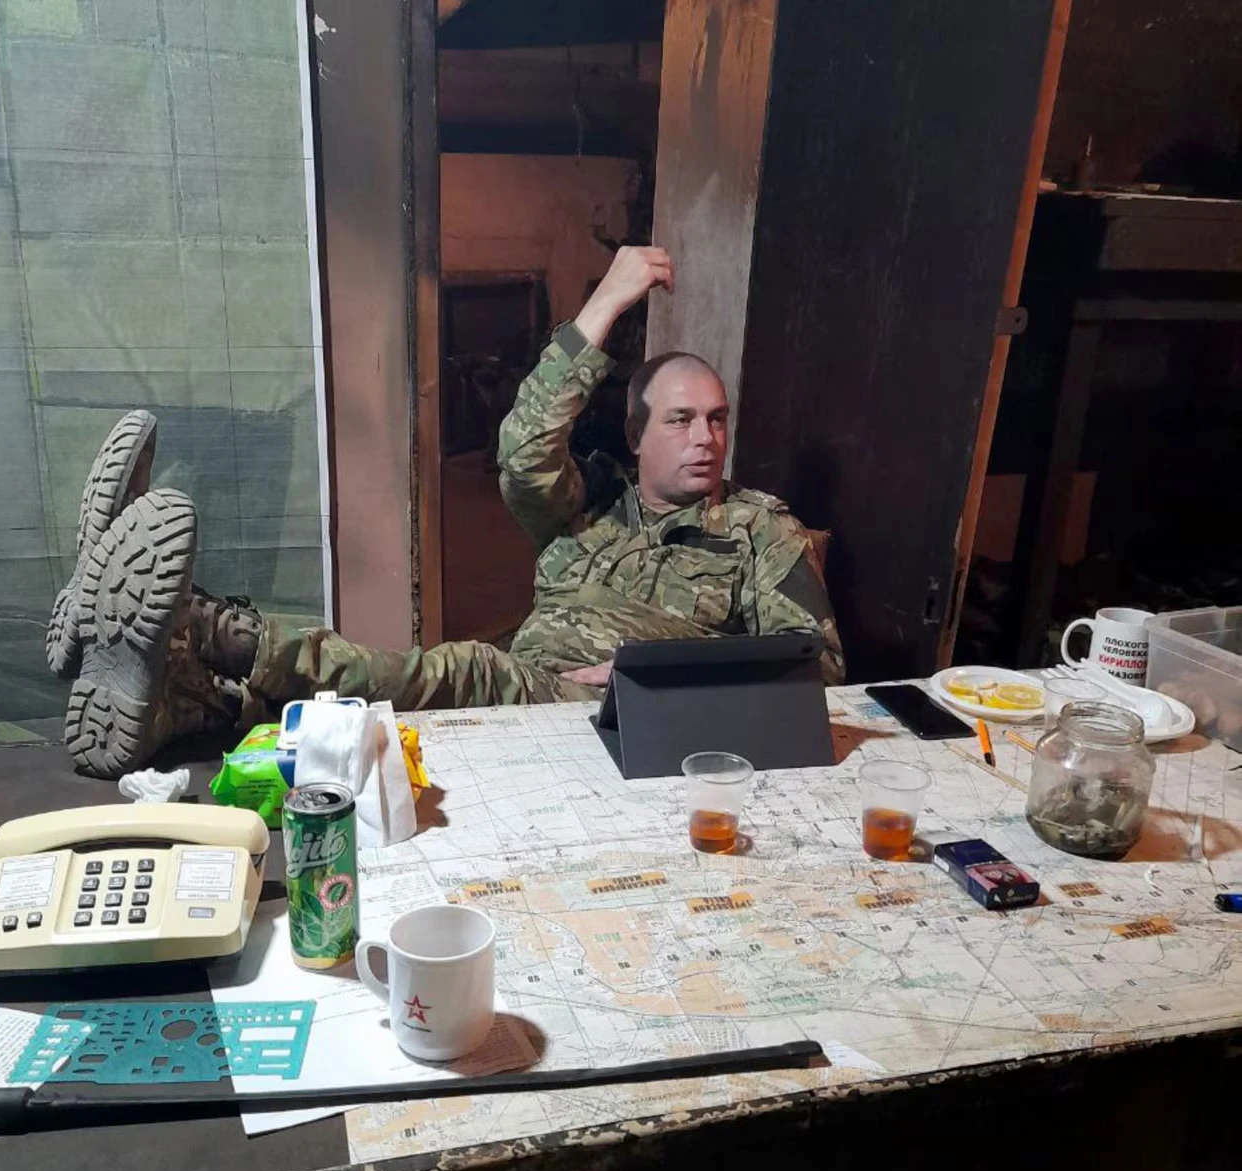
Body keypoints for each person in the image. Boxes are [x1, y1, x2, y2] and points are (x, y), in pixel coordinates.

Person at [52, 247, 844, 779]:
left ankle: (206, 623)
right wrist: (605, 301)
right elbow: (523, 448)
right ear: (637, 437)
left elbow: (818, 676)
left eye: (717, 419)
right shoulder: (590, 506)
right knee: (400, 690)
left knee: (457, 670)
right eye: (681, 420)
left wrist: (655, 680)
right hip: (533, 690)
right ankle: (187, 693)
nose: (707, 438)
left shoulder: (757, 531)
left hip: (614, 725)